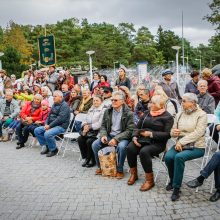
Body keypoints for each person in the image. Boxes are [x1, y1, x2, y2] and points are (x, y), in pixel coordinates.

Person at [164, 93, 207, 201]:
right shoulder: (180, 114)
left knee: (179, 157)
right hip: (180, 145)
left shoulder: (202, 114)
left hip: (197, 146)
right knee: (168, 157)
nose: (181, 103)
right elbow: (172, 130)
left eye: (184, 101)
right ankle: (173, 180)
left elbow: (198, 132)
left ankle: (176, 188)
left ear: (192, 102)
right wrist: (174, 132)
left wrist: (181, 142)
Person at [127, 95, 173, 191]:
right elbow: (137, 127)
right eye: (150, 102)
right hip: (142, 140)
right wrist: (135, 136)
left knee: (144, 152)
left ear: (160, 105)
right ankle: (133, 174)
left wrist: (151, 134)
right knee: (130, 148)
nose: (150, 104)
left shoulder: (167, 117)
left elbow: (168, 135)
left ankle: (150, 180)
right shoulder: (147, 113)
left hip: (158, 143)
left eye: (152, 103)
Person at [92, 91, 134, 179]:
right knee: (95, 144)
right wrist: (103, 135)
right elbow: (103, 126)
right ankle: (101, 167)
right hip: (109, 135)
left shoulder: (129, 113)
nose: (113, 102)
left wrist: (116, 139)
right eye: (112, 100)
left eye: (115, 100)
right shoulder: (108, 111)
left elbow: (130, 131)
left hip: (123, 137)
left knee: (122, 147)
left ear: (122, 101)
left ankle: (119, 170)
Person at [34, 91, 70, 157]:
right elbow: (49, 116)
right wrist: (46, 124)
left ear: (61, 97)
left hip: (61, 126)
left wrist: (49, 126)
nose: (53, 98)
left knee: (47, 134)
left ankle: (54, 150)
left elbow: (60, 119)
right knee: (37, 130)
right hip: (51, 125)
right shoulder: (54, 104)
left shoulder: (65, 106)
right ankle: (48, 146)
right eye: (53, 96)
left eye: (55, 96)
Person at [78, 95, 106, 168]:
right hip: (88, 130)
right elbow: (85, 119)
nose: (95, 102)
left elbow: (100, 124)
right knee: (80, 139)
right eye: (94, 100)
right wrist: (84, 125)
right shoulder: (91, 108)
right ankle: (86, 158)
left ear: (101, 101)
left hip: (97, 132)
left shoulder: (103, 110)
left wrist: (89, 127)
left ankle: (92, 159)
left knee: (89, 141)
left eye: (97, 100)